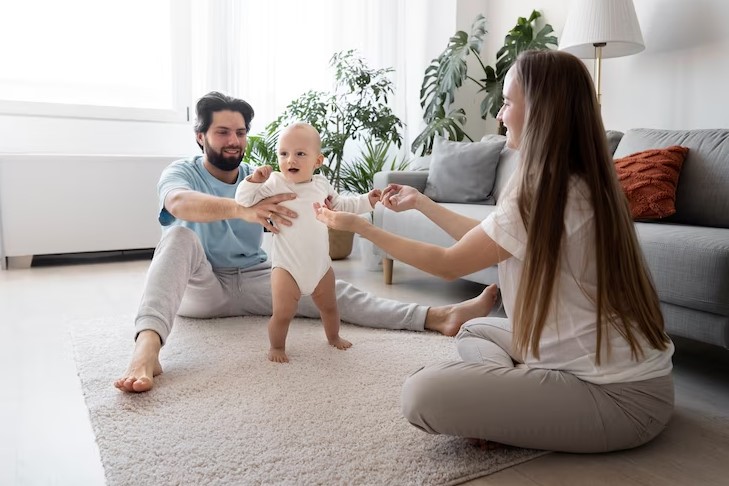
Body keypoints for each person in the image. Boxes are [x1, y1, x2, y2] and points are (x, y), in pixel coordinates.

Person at [314, 50, 674, 453]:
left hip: (619, 399)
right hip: (632, 378)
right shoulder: (570, 180)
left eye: (507, 102)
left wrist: (364, 227)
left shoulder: (545, 190)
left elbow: (451, 265)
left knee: (421, 394)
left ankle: (506, 403)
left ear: (540, 110)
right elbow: (493, 240)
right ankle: (510, 399)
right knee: (473, 329)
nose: (500, 116)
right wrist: (423, 204)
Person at [114, 91, 497, 392]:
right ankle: (147, 351)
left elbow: (330, 201)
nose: (234, 141)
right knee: (178, 236)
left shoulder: (265, 174)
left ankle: (437, 317)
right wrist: (243, 209)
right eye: (222, 132)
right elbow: (179, 203)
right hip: (203, 286)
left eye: (241, 132)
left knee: (332, 290)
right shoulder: (182, 172)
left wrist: (366, 201)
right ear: (200, 136)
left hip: (255, 277)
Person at [235, 122, 380, 362]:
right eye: (284, 153)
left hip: (321, 266)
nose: (291, 159)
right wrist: (254, 180)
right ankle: (277, 347)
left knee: (330, 308)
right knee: (282, 313)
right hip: (287, 267)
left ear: (318, 161)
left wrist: (368, 200)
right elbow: (244, 200)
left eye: (300, 154)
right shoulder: (274, 183)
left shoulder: (321, 185)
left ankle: (333, 337)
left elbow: (342, 205)